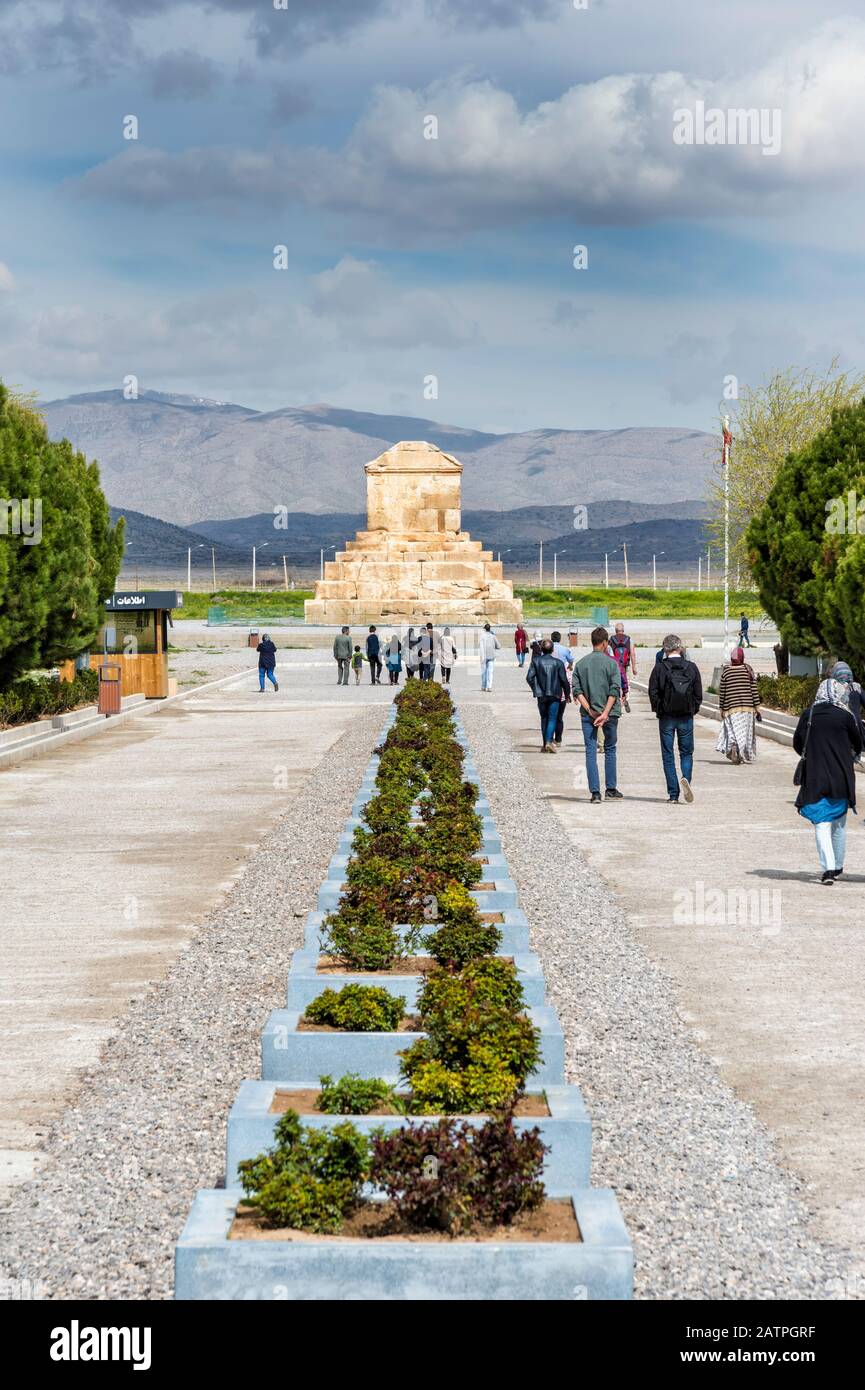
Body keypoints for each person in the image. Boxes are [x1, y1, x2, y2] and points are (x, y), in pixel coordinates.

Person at [793, 677, 862, 884]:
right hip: (841, 777)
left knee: (822, 824)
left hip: (816, 776)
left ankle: (829, 869)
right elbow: (858, 743)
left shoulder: (809, 715)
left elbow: (798, 743)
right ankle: (838, 866)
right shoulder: (845, 716)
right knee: (839, 824)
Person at [648, 634, 702, 803]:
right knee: (686, 752)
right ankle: (686, 778)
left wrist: (659, 709)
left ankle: (673, 794)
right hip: (686, 716)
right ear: (679, 647)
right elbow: (698, 694)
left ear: (665, 649)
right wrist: (693, 709)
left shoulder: (660, 668)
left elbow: (653, 692)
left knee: (668, 754)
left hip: (667, 717)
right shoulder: (691, 667)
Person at [572, 626, 623, 802]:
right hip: (610, 714)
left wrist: (590, 711)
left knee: (590, 751)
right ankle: (611, 788)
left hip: (588, 715)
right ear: (605, 642)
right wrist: (605, 713)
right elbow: (614, 690)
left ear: (593, 642)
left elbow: (577, 691)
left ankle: (595, 792)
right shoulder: (612, 663)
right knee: (610, 748)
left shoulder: (581, 664)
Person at [716, 647, 761, 763]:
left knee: (733, 731)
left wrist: (721, 708)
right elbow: (754, 690)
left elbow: (723, 692)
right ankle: (742, 754)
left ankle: (735, 747)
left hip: (730, 708)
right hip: (747, 708)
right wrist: (757, 708)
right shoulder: (748, 670)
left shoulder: (726, 672)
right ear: (742, 657)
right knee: (744, 733)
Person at [526, 638, 570, 752]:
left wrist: (536, 689)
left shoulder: (536, 661)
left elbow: (529, 678)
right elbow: (564, 680)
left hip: (542, 694)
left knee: (544, 718)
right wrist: (567, 694)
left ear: (541, 649)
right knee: (552, 718)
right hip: (555, 694)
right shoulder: (558, 663)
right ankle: (549, 741)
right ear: (552, 649)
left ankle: (545, 743)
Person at [550, 630, 574, 745]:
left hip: (550, 684)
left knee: (550, 716)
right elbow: (571, 660)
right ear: (559, 639)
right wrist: (569, 666)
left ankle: (549, 739)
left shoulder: (548, 648)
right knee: (559, 717)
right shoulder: (565, 650)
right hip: (561, 686)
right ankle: (558, 739)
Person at [608, 622, 637, 713]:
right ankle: (625, 697)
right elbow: (632, 654)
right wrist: (634, 668)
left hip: (614, 665)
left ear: (615, 631)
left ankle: (617, 701)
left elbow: (608, 653)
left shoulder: (611, 639)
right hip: (625, 665)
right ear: (623, 630)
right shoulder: (628, 639)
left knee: (615, 682)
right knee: (625, 680)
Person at [479, 622, 501, 691]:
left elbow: (479, 645)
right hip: (491, 656)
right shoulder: (493, 636)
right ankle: (489, 687)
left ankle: (483, 686)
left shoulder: (482, 636)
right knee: (490, 672)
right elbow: (499, 646)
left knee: (484, 672)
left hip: (483, 656)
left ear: (484, 629)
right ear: (490, 629)